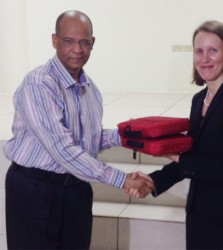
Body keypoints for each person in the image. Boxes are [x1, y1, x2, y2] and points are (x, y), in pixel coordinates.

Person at [4, 10, 153, 250]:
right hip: (35, 191)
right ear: (55, 40)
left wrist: (130, 137)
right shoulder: (39, 84)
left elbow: (87, 138)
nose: (78, 49)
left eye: (84, 42)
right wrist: (121, 179)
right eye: (69, 41)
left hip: (75, 190)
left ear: (93, 43)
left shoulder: (90, 89)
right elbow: (63, 148)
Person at [128, 20, 223, 250]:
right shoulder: (199, 100)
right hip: (200, 215)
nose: (205, 59)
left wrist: (178, 158)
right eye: (199, 51)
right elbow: (194, 155)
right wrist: (153, 182)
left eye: (213, 50)